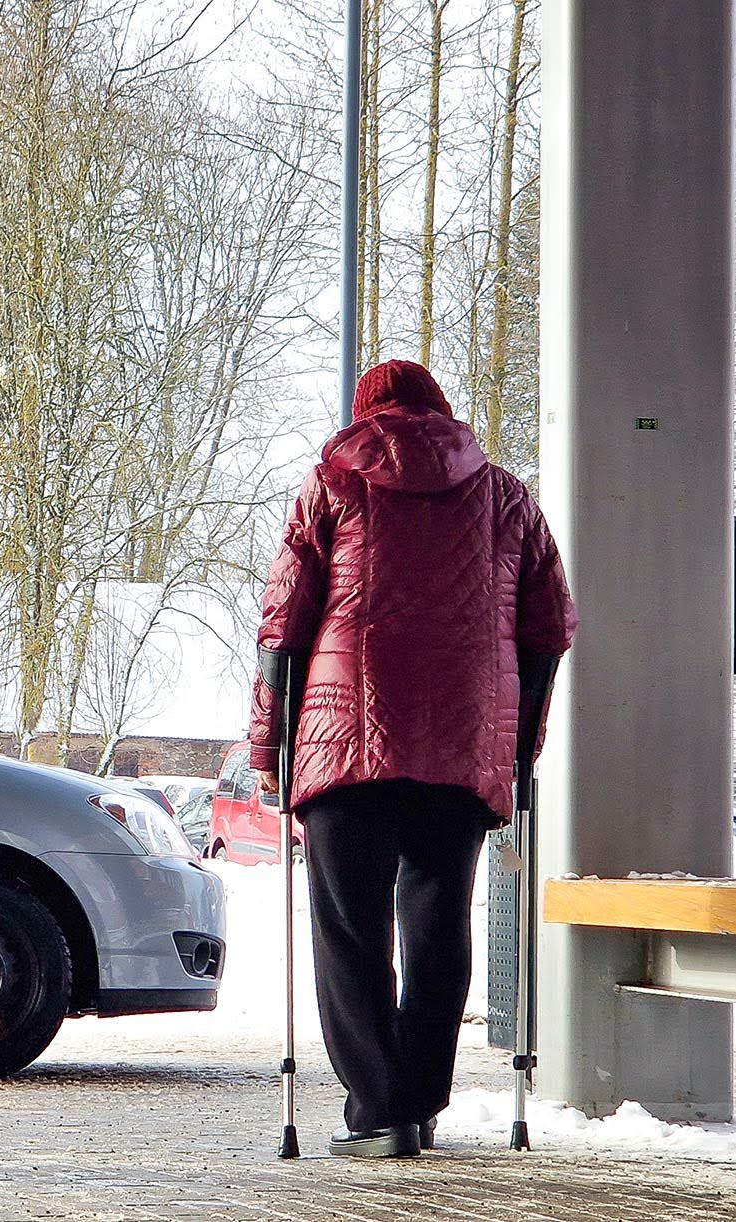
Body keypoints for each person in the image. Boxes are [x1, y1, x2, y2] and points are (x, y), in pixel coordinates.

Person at [248, 359, 576, 1159]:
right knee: (435, 924)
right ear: (440, 413)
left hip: (342, 741)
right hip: (458, 750)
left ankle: (377, 1111)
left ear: (366, 416)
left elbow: (282, 628)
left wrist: (269, 745)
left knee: (349, 928)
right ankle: (420, 1104)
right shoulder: (503, 497)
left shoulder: (329, 482)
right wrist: (515, 747)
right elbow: (550, 627)